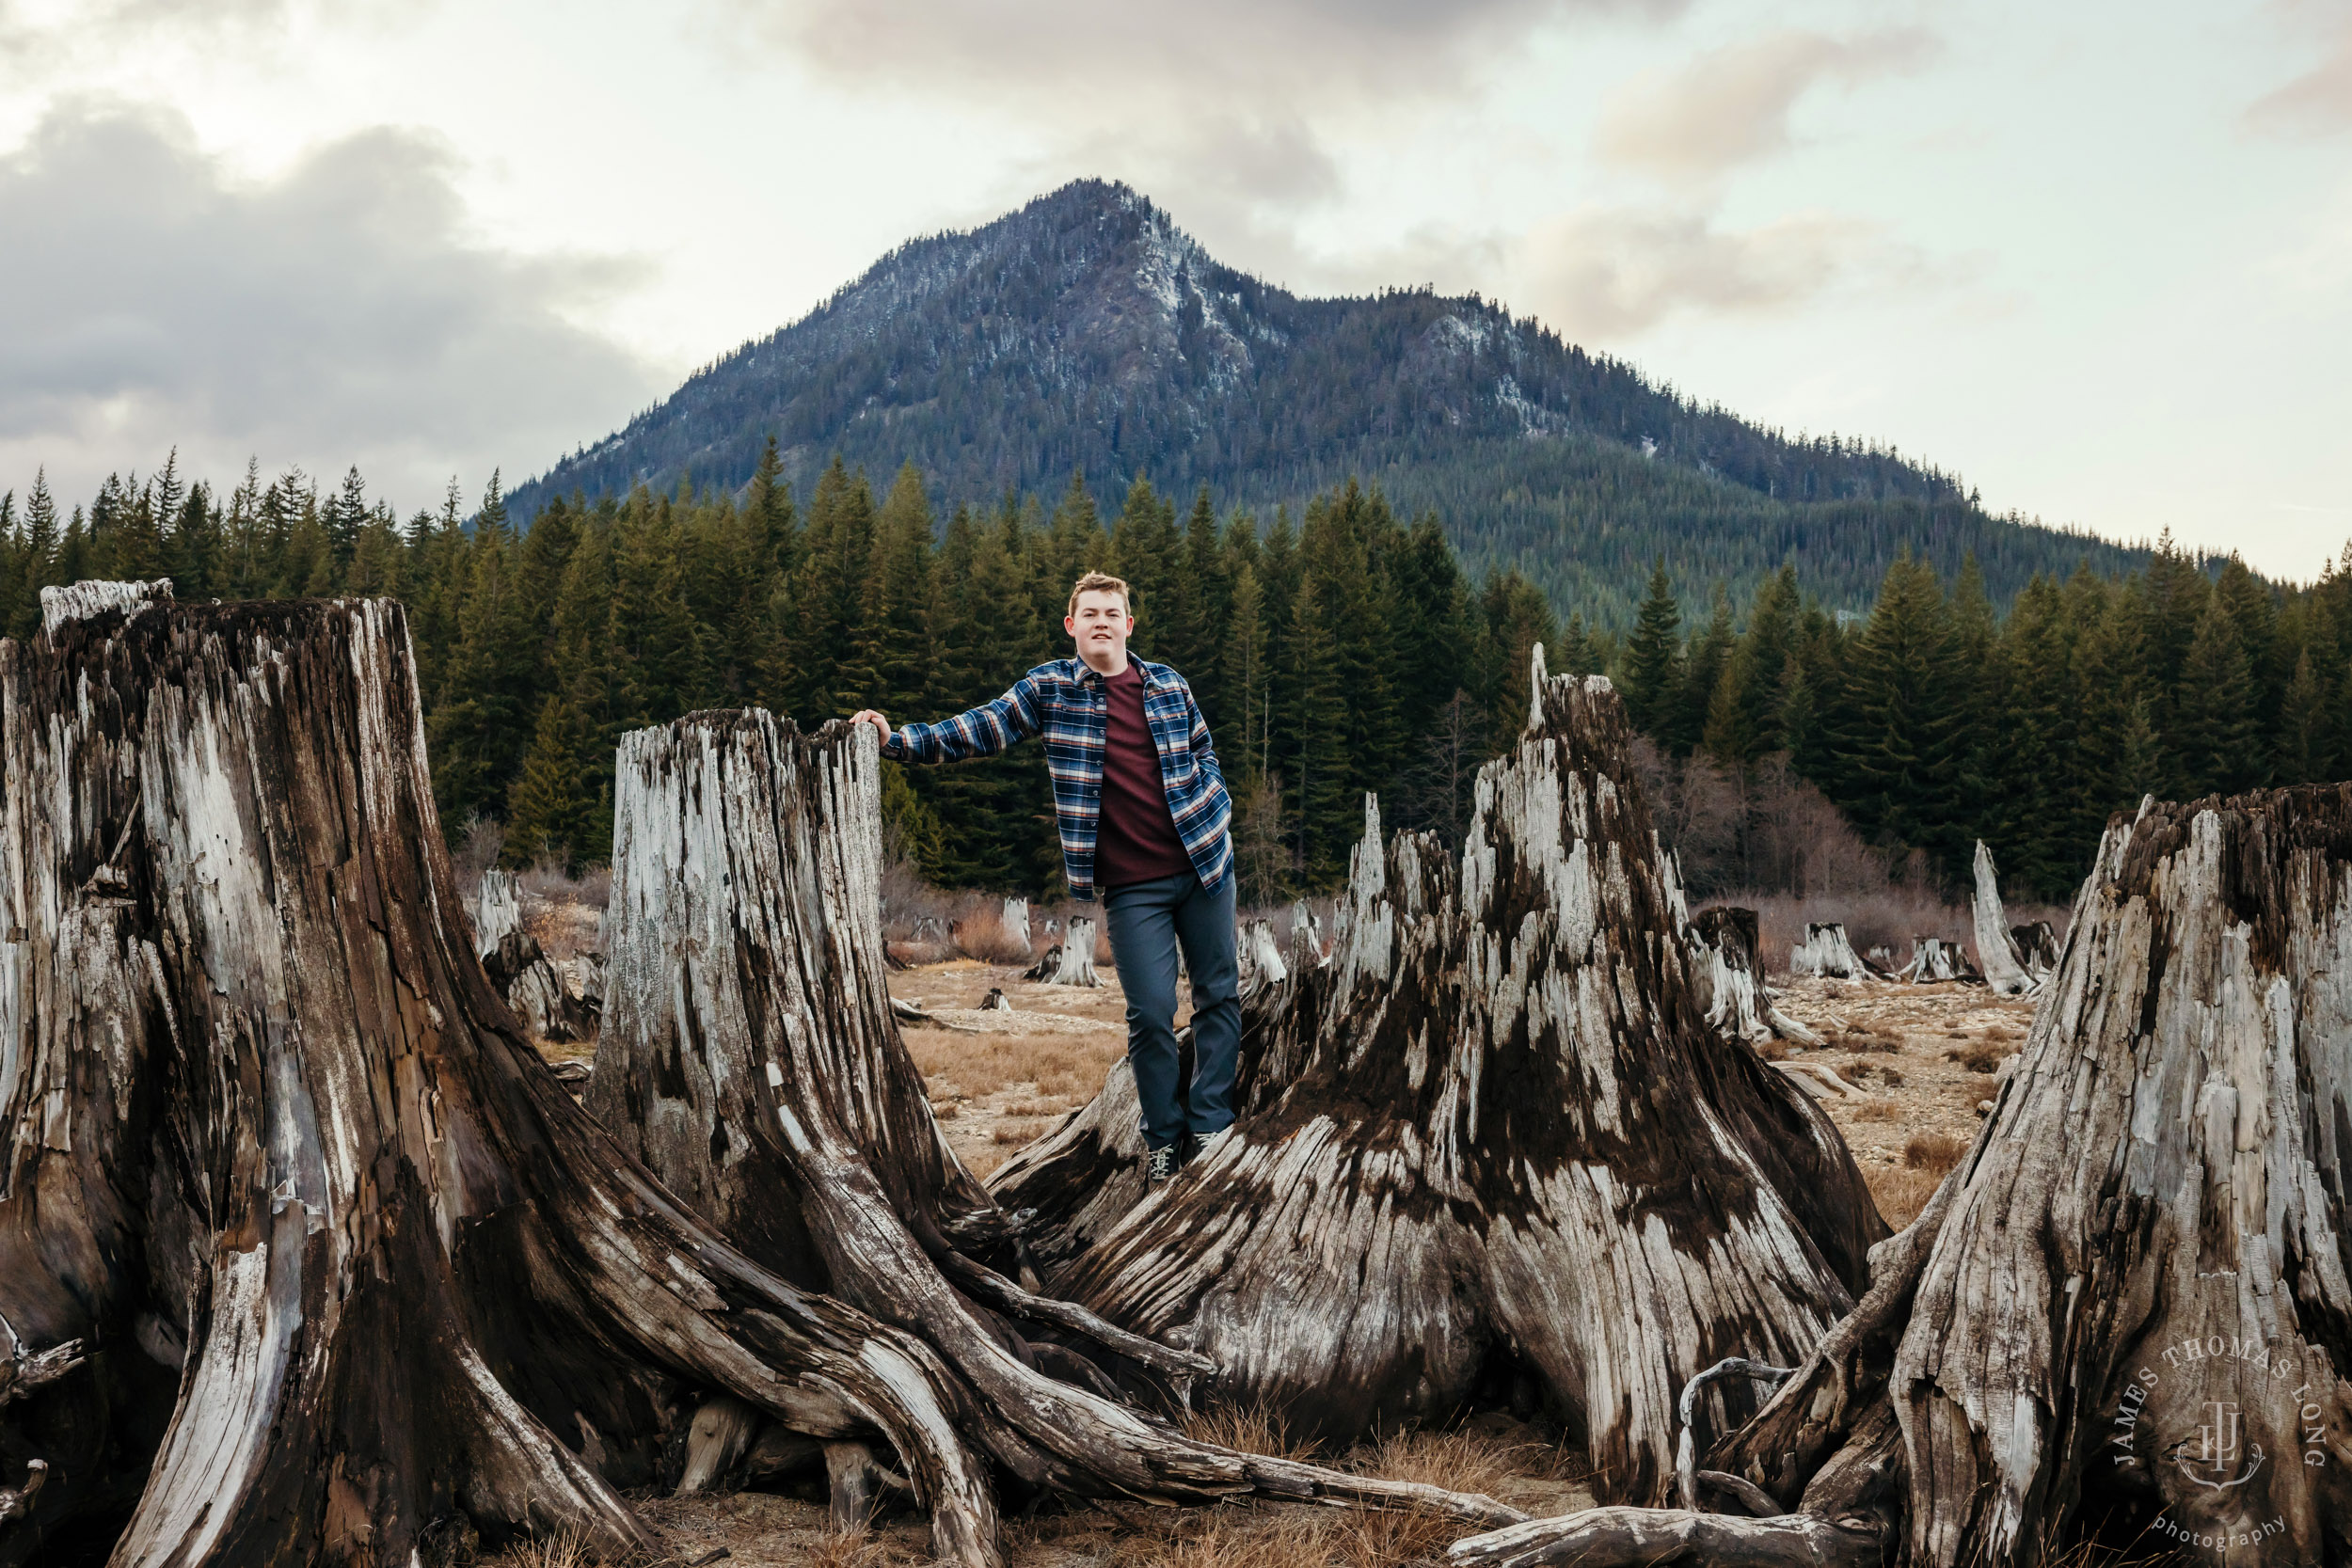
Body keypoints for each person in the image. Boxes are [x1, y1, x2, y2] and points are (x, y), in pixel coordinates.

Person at [850, 572, 1237, 1189]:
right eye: (1090, 613)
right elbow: (979, 727)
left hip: (1205, 864)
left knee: (1219, 994)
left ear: (1129, 624)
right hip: (1133, 885)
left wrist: (1214, 806)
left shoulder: (1169, 684)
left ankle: (1213, 1123)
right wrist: (898, 741)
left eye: (1113, 612)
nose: (1102, 621)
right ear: (1072, 625)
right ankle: (1165, 1138)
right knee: (1150, 1010)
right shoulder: (1051, 689)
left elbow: (1206, 754)